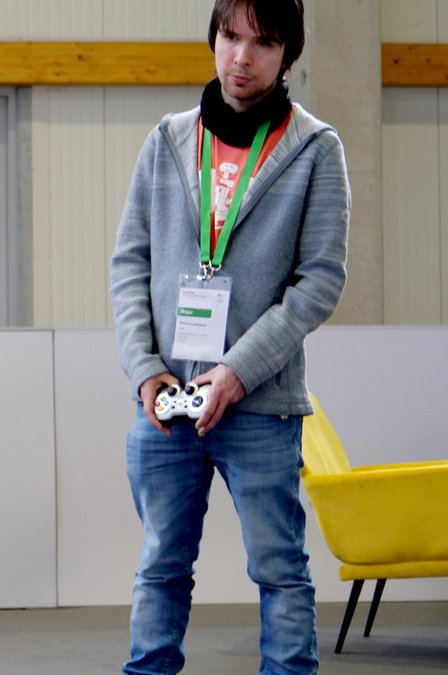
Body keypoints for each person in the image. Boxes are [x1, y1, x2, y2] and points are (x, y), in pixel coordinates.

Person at [109, 0, 350, 672]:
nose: (242, 57)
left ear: (287, 54)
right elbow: (130, 262)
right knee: (160, 565)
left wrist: (238, 371)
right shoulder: (167, 139)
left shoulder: (315, 149)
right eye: (230, 36)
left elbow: (319, 282)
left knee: (280, 570)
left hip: (261, 404)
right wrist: (143, 368)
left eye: (262, 42)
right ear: (213, 38)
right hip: (166, 404)